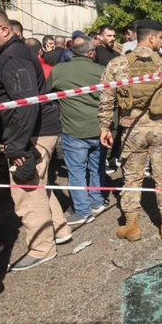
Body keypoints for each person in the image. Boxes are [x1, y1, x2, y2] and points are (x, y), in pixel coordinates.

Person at [0, 9, 70, 271]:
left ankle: (42, 248)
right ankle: (60, 231)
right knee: (38, 183)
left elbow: (26, 105)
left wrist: (16, 145)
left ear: (4, 30)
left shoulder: (13, 57)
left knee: (26, 189)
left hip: (31, 134)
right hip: (33, 131)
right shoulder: (10, 53)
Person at [98, 20, 162, 241]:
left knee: (131, 178)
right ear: (151, 38)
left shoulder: (117, 64)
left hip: (131, 129)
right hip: (160, 129)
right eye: (160, 37)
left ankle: (132, 226)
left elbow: (106, 99)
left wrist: (104, 127)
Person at [47, 35, 109, 225]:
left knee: (76, 171)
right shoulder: (102, 71)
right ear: (90, 53)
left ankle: (83, 210)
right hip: (99, 128)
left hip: (73, 129)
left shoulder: (59, 70)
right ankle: (97, 201)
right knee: (97, 167)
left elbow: (46, 94)